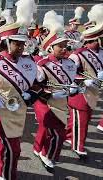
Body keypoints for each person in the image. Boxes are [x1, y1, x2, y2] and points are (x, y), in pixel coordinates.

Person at [0, 0, 37, 179]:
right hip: (2, 113)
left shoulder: (29, 63)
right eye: (17, 43)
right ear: (7, 42)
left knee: (4, 145)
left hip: (19, 111)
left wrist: (31, 96)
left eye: (23, 43)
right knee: (13, 148)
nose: (21, 47)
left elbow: (37, 86)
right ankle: (6, 174)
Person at [33, 10, 78, 172]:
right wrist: (50, 93)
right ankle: (47, 155)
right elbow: (34, 86)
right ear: (51, 47)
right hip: (44, 101)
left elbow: (73, 81)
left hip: (61, 102)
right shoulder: (42, 64)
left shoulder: (69, 64)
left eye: (65, 45)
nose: (64, 49)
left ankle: (37, 148)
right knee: (57, 132)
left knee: (45, 128)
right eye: (60, 46)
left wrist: (73, 88)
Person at [66, 4, 103, 158]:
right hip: (79, 92)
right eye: (99, 38)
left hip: (94, 92)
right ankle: (78, 145)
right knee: (82, 120)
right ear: (92, 39)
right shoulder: (77, 55)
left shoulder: (101, 52)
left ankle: (68, 136)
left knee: (83, 118)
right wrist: (85, 80)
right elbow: (67, 75)